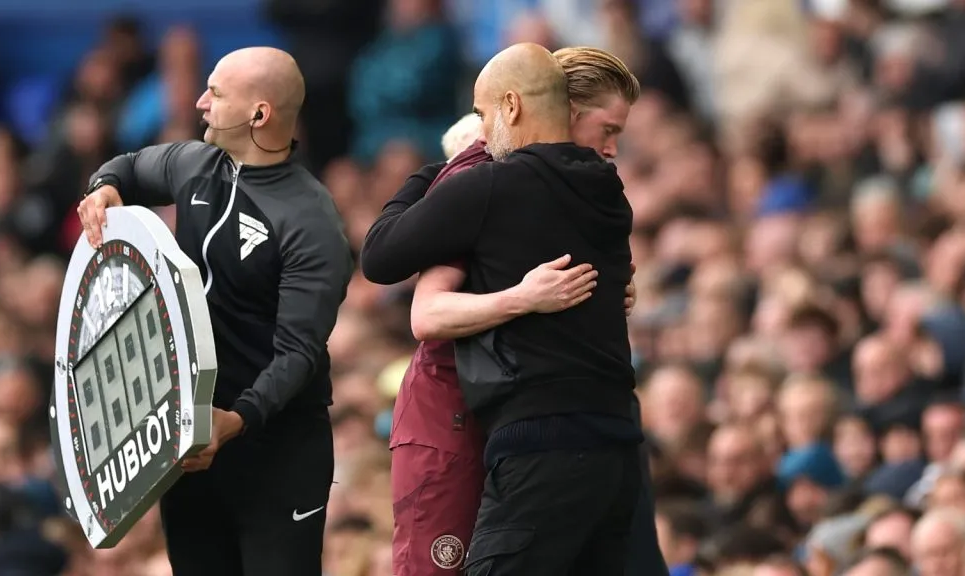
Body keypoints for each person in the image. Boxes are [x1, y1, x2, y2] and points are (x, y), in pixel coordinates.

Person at [376, 46, 666, 576]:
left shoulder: (488, 183)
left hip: (539, 441)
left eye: (486, 116)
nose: (613, 148)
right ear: (566, 112)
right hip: (609, 438)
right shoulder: (610, 194)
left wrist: (433, 174)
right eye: (608, 129)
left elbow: (382, 258)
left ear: (512, 108)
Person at [76, 47, 352, 576]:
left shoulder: (310, 222)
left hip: (275, 449)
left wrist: (237, 420)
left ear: (260, 114)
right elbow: (129, 167)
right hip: (189, 441)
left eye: (216, 93)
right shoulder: (194, 164)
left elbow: (298, 353)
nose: (200, 102)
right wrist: (103, 188)